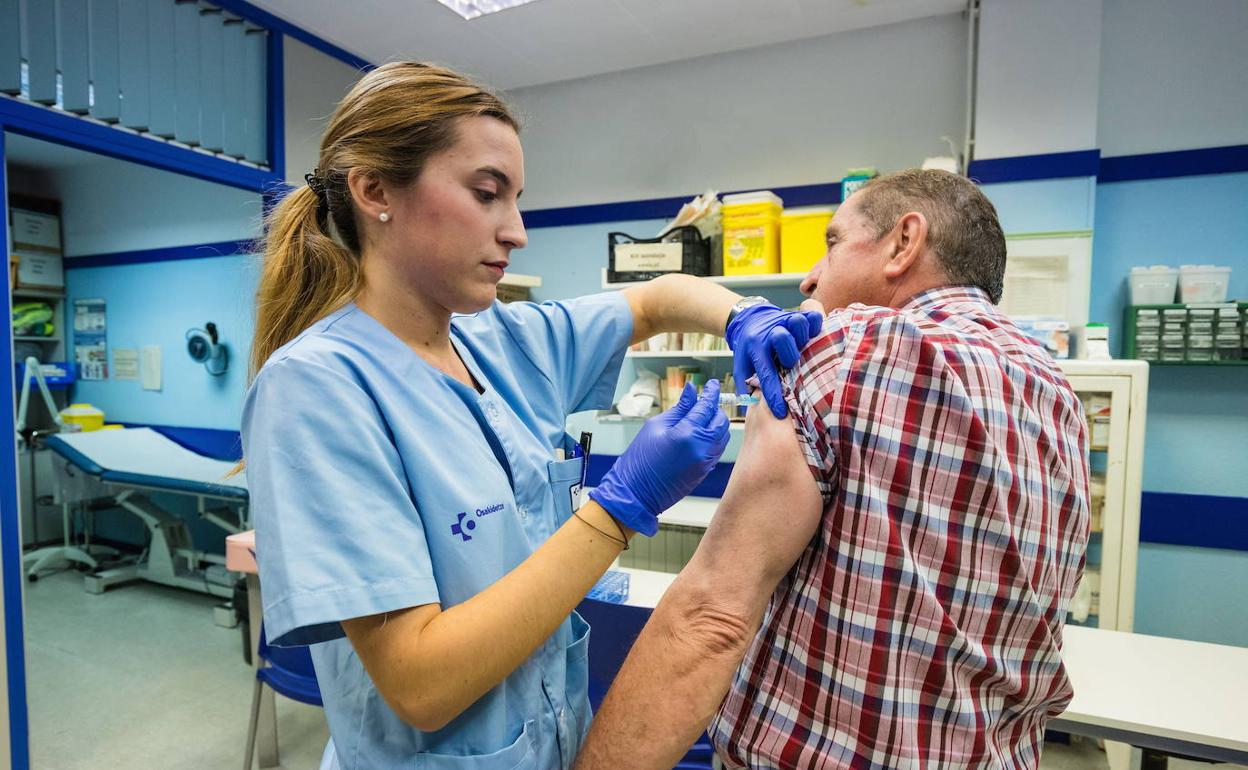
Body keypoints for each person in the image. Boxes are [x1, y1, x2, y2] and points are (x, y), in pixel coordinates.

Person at [239, 61, 822, 770]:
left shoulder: (503, 341)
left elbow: (655, 299)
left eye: (516, 200)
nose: (516, 232)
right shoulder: (318, 388)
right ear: (375, 191)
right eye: (487, 194)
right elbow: (421, 684)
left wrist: (741, 315)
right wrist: (619, 509)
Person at [575, 169, 1090, 769]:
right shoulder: (1056, 390)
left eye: (833, 243)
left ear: (903, 243)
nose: (810, 277)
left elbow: (712, 618)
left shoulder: (844, 350)